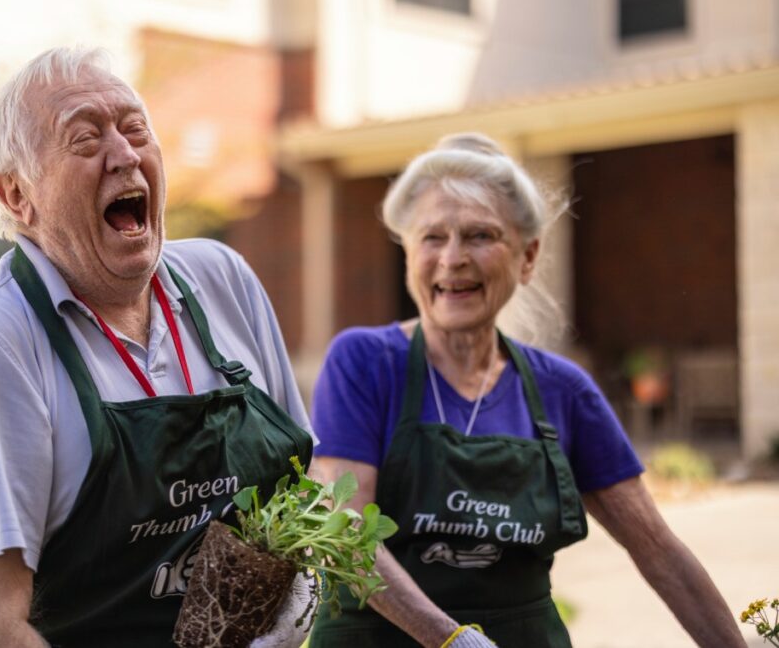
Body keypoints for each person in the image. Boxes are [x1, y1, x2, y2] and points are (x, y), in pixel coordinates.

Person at [0, 46, 315, 647]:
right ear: (17, 195)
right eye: (85, 139)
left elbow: (301, 498)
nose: (125, 154)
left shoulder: (224, 281)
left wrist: (294, 597)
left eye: (135, 130)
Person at [307, 133, 743, 648]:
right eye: (432, 237)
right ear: (407, 254)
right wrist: (451, 640)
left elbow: (658, 550)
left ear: (528, 256)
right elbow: (348, 534)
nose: (452, 259)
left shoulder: (564, 390)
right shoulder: (364, 362)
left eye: (479, 235)